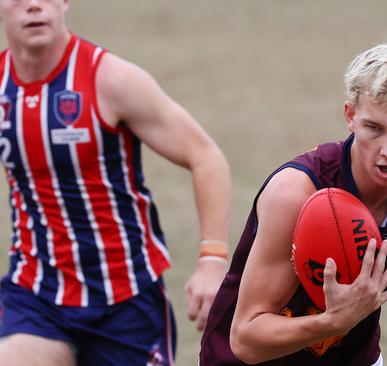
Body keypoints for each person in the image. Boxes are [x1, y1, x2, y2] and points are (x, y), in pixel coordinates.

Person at [199, 40, 387, 365]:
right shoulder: (296, 193)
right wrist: (334, 322)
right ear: (350, 116)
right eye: (374, 128)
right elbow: (245, 339)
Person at [0, 1, 231, 365]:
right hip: (37, 292)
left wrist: (212, 259)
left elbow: (206, 157)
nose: (33, 6)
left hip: (127, 300)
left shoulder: (109, 79)